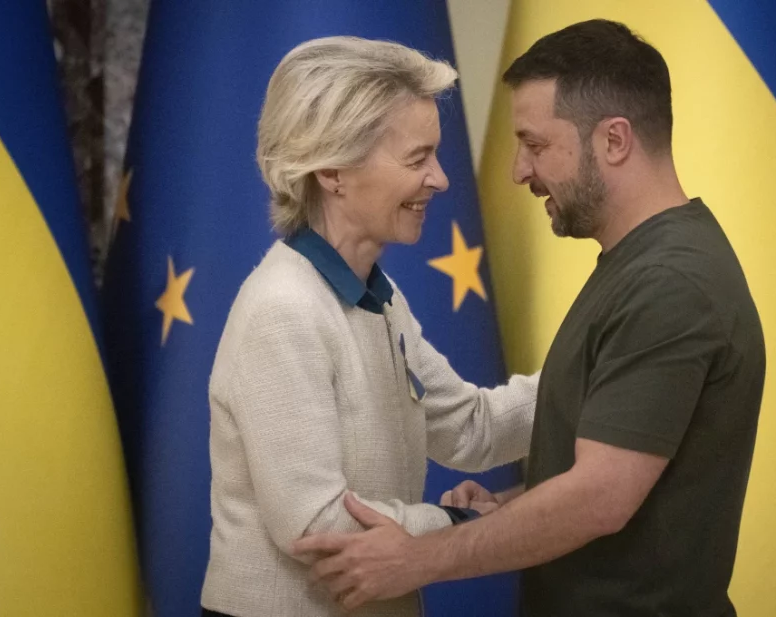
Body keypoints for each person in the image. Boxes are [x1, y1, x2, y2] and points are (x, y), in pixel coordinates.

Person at [293, 19, 767, 617]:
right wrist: (509, 510)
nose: (519, 170)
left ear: (614, 140)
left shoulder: (668, 284)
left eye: (536, 145)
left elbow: (599, 498)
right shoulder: (640, 266)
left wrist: (419, 558)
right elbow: (617, 471)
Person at [199, 36, 538, 617]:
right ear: (332, 169)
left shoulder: (377, 299)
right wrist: (462, 523)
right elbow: (316, 523)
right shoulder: (283, 308)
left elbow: (470, 427)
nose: (440, 179)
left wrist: (595, 376)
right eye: (417, 159)